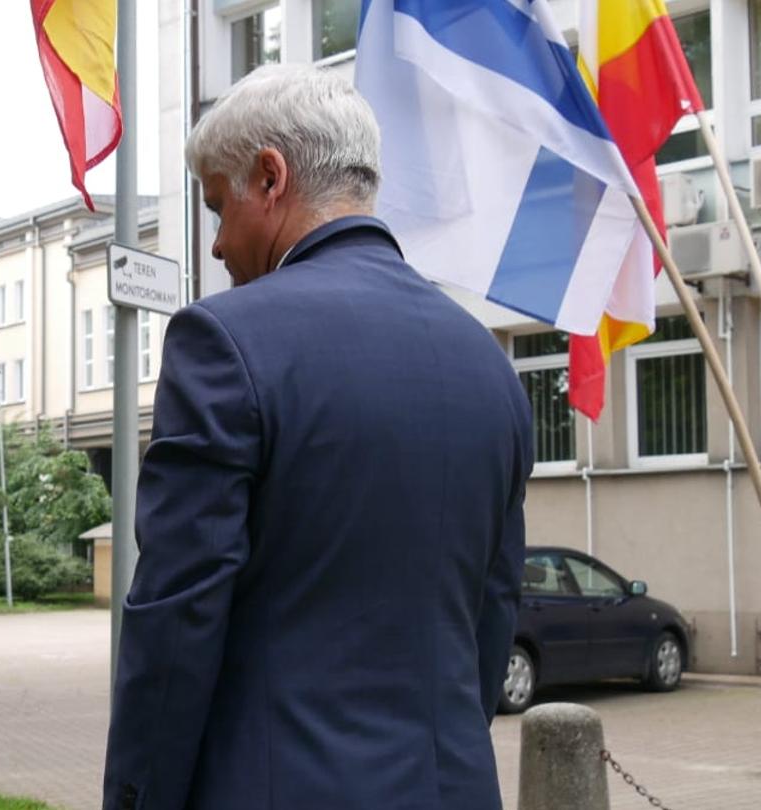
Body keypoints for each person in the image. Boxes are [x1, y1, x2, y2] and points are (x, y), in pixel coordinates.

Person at [101, 63, 532, 810]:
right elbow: (491, 626)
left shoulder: (224, 342)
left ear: (270, 177)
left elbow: (177, 622)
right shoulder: (488, 365)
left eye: (216, 207)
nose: (215, 247)